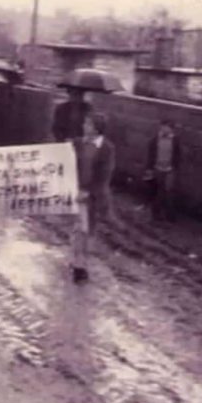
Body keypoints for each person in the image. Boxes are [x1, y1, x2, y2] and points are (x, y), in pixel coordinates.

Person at [71, 112, 116, 283]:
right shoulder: (77, 142)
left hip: (92, 197)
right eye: (85, 123)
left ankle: (82, 265)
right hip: (75, 192)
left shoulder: (107, 148)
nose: (84, 126)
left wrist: (89, 192)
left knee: (87, 230)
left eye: (88, 124)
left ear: (96, 129)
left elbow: (104, 175)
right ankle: (78, 263)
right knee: (78, 229)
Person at [146, 120, 181, 223]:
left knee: (168, 192)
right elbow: (150, 155)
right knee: (159, 192)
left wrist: (175, 167)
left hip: (169, 170)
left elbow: (178, 155)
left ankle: (168, 215)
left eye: (167, 127)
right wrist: (149, 168)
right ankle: (157, 214)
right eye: (163, 127)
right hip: (157, 168)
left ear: (171, 129)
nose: (164, 129)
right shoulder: (155, 140)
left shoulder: (175, 140)